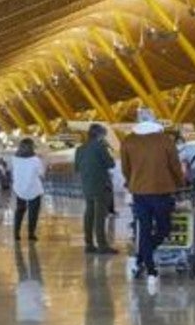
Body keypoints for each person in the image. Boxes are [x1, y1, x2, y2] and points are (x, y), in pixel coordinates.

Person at [120, 108, 184, 292]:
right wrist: (179, 183)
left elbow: (126, 168)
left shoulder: (128, 141)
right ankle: (147, 266)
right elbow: (175, 166)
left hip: (139, 193)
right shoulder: (165, 140)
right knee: (164, 229)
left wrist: (133, 181)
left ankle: (148, 266)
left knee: (145, 230)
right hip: (162, 191)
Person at [74, 124, 117, 255]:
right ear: (100, 135)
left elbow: (76, 168)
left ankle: (89, 244)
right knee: (100, 216)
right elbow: (111, 163)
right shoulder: (100, 146)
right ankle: (102, 245)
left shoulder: (80, 149)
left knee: (89, 213)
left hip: (87, 185)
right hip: (101, 184)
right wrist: (107, 149)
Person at [10, 138, 46, 242]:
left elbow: (14, 172)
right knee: (33, 213)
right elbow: (41, 173)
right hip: (33, 189)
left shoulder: (14, 159)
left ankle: (16, 234)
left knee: (19, 210)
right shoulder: (35, 160)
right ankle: (31, 234)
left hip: (20, 189)